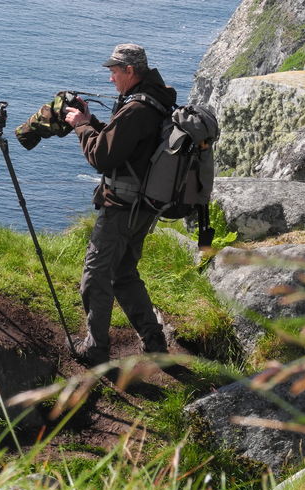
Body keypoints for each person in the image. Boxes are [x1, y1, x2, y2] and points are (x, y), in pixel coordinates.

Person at [63, 43, 174, 366]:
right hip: (144, 205)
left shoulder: (137, 109)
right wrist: (91, 121)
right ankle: (154, 343)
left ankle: (96, 349)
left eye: (114, 72)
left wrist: (80, 126)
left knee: (95, 276)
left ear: (129, 71)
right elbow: (123, 145)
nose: (111, 79)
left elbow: (102, 157)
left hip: (122, 207)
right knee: (123, 273)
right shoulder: (155, 100)